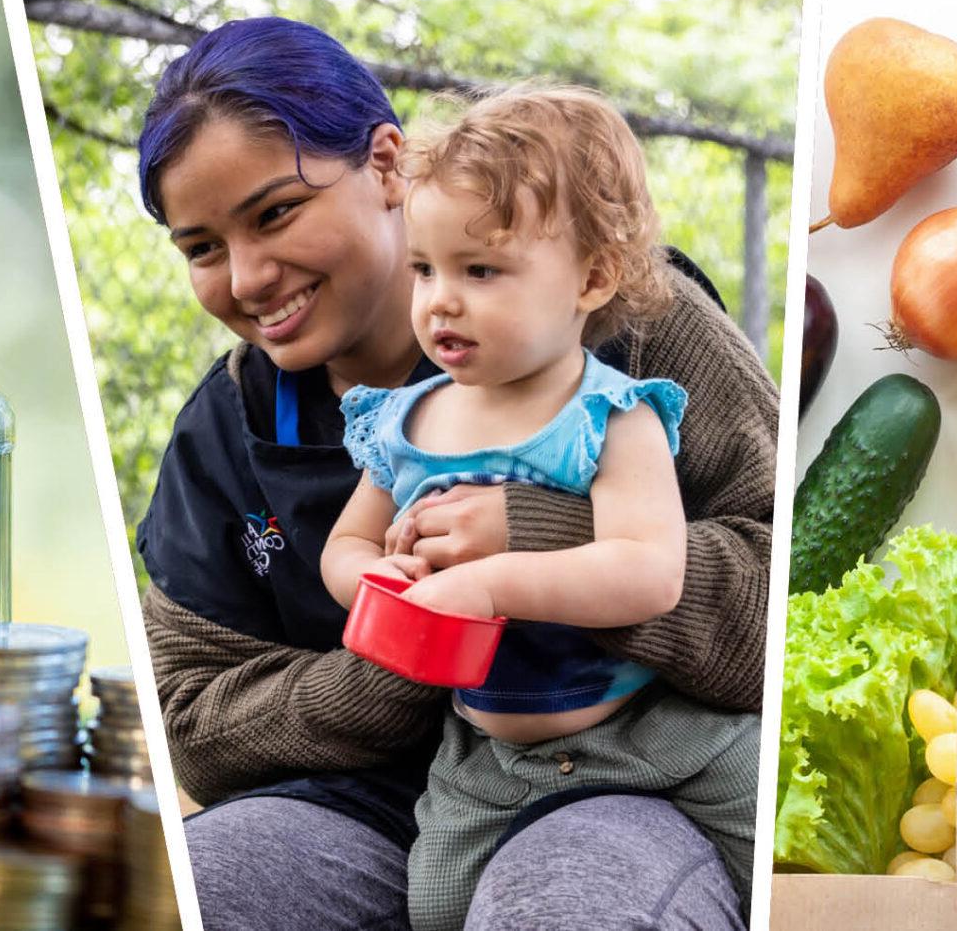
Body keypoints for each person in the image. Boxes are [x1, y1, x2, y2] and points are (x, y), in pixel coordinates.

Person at [133, 18, 774, 930]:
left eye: (277, 212)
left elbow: (778, 593)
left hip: (638, 776)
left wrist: (542, 534)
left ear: (388, 167)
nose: (246, 277)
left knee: (563, 903)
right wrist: (418, 638)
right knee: (190, 892)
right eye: (201, 247)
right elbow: (197, 726)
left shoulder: (635, 329)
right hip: (385, 804)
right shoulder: (226, 434)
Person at [318, 86, 754, 931]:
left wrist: (493, 586)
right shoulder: (405, 420)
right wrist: (380, 576)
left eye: (480, 270)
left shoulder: (612, 416)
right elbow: (345, 543)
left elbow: (651, 572)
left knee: (769, 853)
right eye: (425, 268)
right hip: (487, 760)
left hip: (655, 740)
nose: (441, 299)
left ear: (593, 277)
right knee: (434, 907)